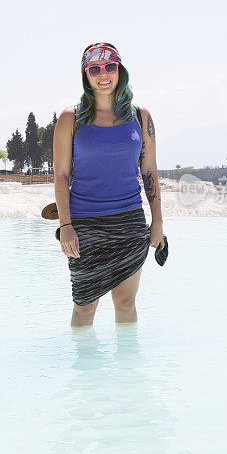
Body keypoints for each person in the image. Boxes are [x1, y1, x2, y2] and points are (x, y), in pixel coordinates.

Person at [53, 42, 164, 327]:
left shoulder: (141, 117)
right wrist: (66, 226)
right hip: (85, 224)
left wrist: (158, 224)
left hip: (129, 222)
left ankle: (129, 371)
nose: (103, 75)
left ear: (120, 71)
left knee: (126, 304)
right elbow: (62, 175)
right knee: (85, 306)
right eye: (94, 69)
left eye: (110, 67)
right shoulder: (70, 118)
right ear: (85, 76)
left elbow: (149, 171)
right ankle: (84, 371)